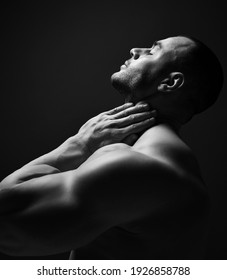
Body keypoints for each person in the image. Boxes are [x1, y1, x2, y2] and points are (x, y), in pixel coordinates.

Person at [0, 35, 223, 259]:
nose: (136, 49)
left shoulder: (137, 165)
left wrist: (78, 145)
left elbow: (7, 222)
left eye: (153, 51)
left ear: (170, 83)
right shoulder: (172, 167)